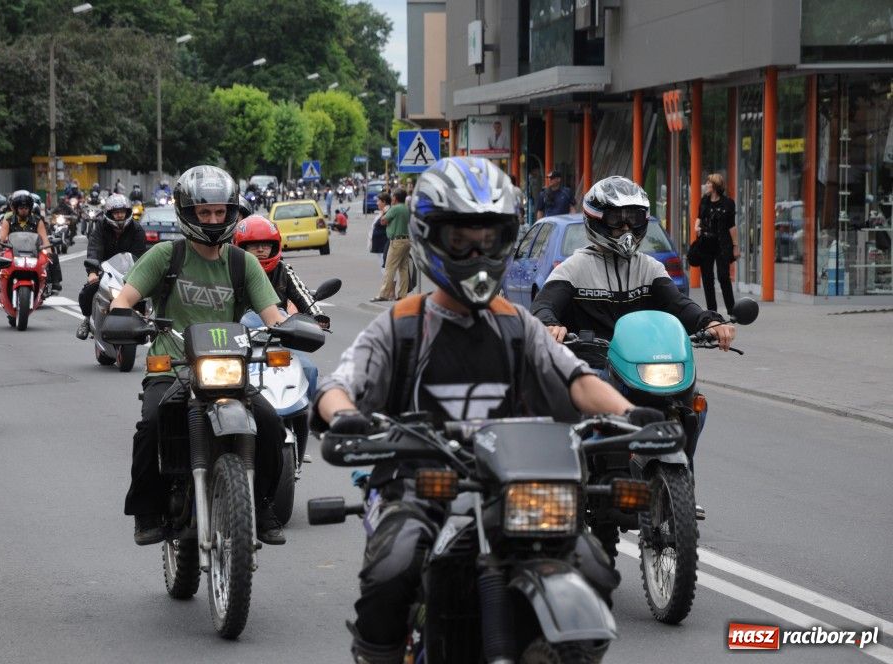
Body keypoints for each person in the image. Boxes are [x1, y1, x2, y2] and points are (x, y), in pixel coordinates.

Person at [312, 157, 660, 663]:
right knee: (394, 566)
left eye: (490, 239)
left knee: (590, 564)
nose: (477, 252)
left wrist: (630, 415)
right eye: (461, 241)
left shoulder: (517, 325)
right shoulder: (403, 325)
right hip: (420, 487)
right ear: (432, 238)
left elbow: (577, 381)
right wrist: (344, 415)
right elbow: (339, 384)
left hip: (515, 489)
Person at [106, 165, 290, 546]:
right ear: (187, 213)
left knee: (272, 426)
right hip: (172, 367)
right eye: (204, 213)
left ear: (231, 212)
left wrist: (294, 327)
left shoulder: (243, 263)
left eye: (220, 212)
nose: (213, 220)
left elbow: (275, 315)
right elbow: (124, 300)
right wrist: (122, 318)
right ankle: (147, 509)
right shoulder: (164, 256)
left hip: (229, 367)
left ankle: (261, 503)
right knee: (153, 424)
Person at [530, 175, 735, 351]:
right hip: (590, 368)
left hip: (642, 364)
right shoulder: (573, 268)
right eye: (616, 219)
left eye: (634, 219)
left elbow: (679, 305)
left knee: (689, 395)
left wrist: (709, 321)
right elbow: (542, 306)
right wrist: (550, 325)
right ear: (596, 220)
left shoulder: (649, 268)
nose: (626, 228)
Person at [233, 214, 329, 404]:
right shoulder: (231, 270)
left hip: (277, 337)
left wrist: (317, 315)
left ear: (274, 246)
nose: (261, 250)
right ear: (242, 247)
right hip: (239, 341)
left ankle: (305, 424)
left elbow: (304, 295)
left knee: (309, 370)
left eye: (266, 245)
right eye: (254, 245)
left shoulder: (284, 270)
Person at [75, 193, 146, 339]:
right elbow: (94, 248)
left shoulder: (137, 229)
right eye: (116, 212)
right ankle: (87, 320)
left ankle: (149, 322)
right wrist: (93, 272)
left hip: (131, 272)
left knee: (149, 295)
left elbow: (139, 256)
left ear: (127, 212)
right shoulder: (101, 226)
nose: (120, 215)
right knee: (88, 291)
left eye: (122, 212)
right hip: (106, 270)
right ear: (109, 214)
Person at [0, 189, 62, 293]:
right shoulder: (8, 221)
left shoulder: (37, 220)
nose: (24, 210)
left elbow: (44, 239)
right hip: (13, 251)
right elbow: (1, 237)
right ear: (16, 208)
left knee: (51, 255)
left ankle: (54, 283)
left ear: (30, 208)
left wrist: (49, 251)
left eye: (26, 207)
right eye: (21, 207)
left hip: (34, 251)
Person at [694, 172, 739, 315]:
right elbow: (699, 217)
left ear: (715, 186)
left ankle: (731, 310)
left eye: (708, 183)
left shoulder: (728, 203)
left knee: (723, 276)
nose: (706, 185)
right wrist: (696, 226)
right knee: (707, 278)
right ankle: (712, 311)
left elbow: (732, 226)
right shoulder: (704, 201)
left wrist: (736, 246)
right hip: (706, 244)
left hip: (722, 244)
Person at [371, 188, 410, 302]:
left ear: (396, 198)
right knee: (403, 269)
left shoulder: (395, 209)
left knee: (390, 268)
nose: (392, 198)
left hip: (396, 241)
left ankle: (384, 294)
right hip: (406, 240)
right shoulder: (406, 208)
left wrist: (384, 214)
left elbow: (383, 221)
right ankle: (402, 294)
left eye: (393, 197)